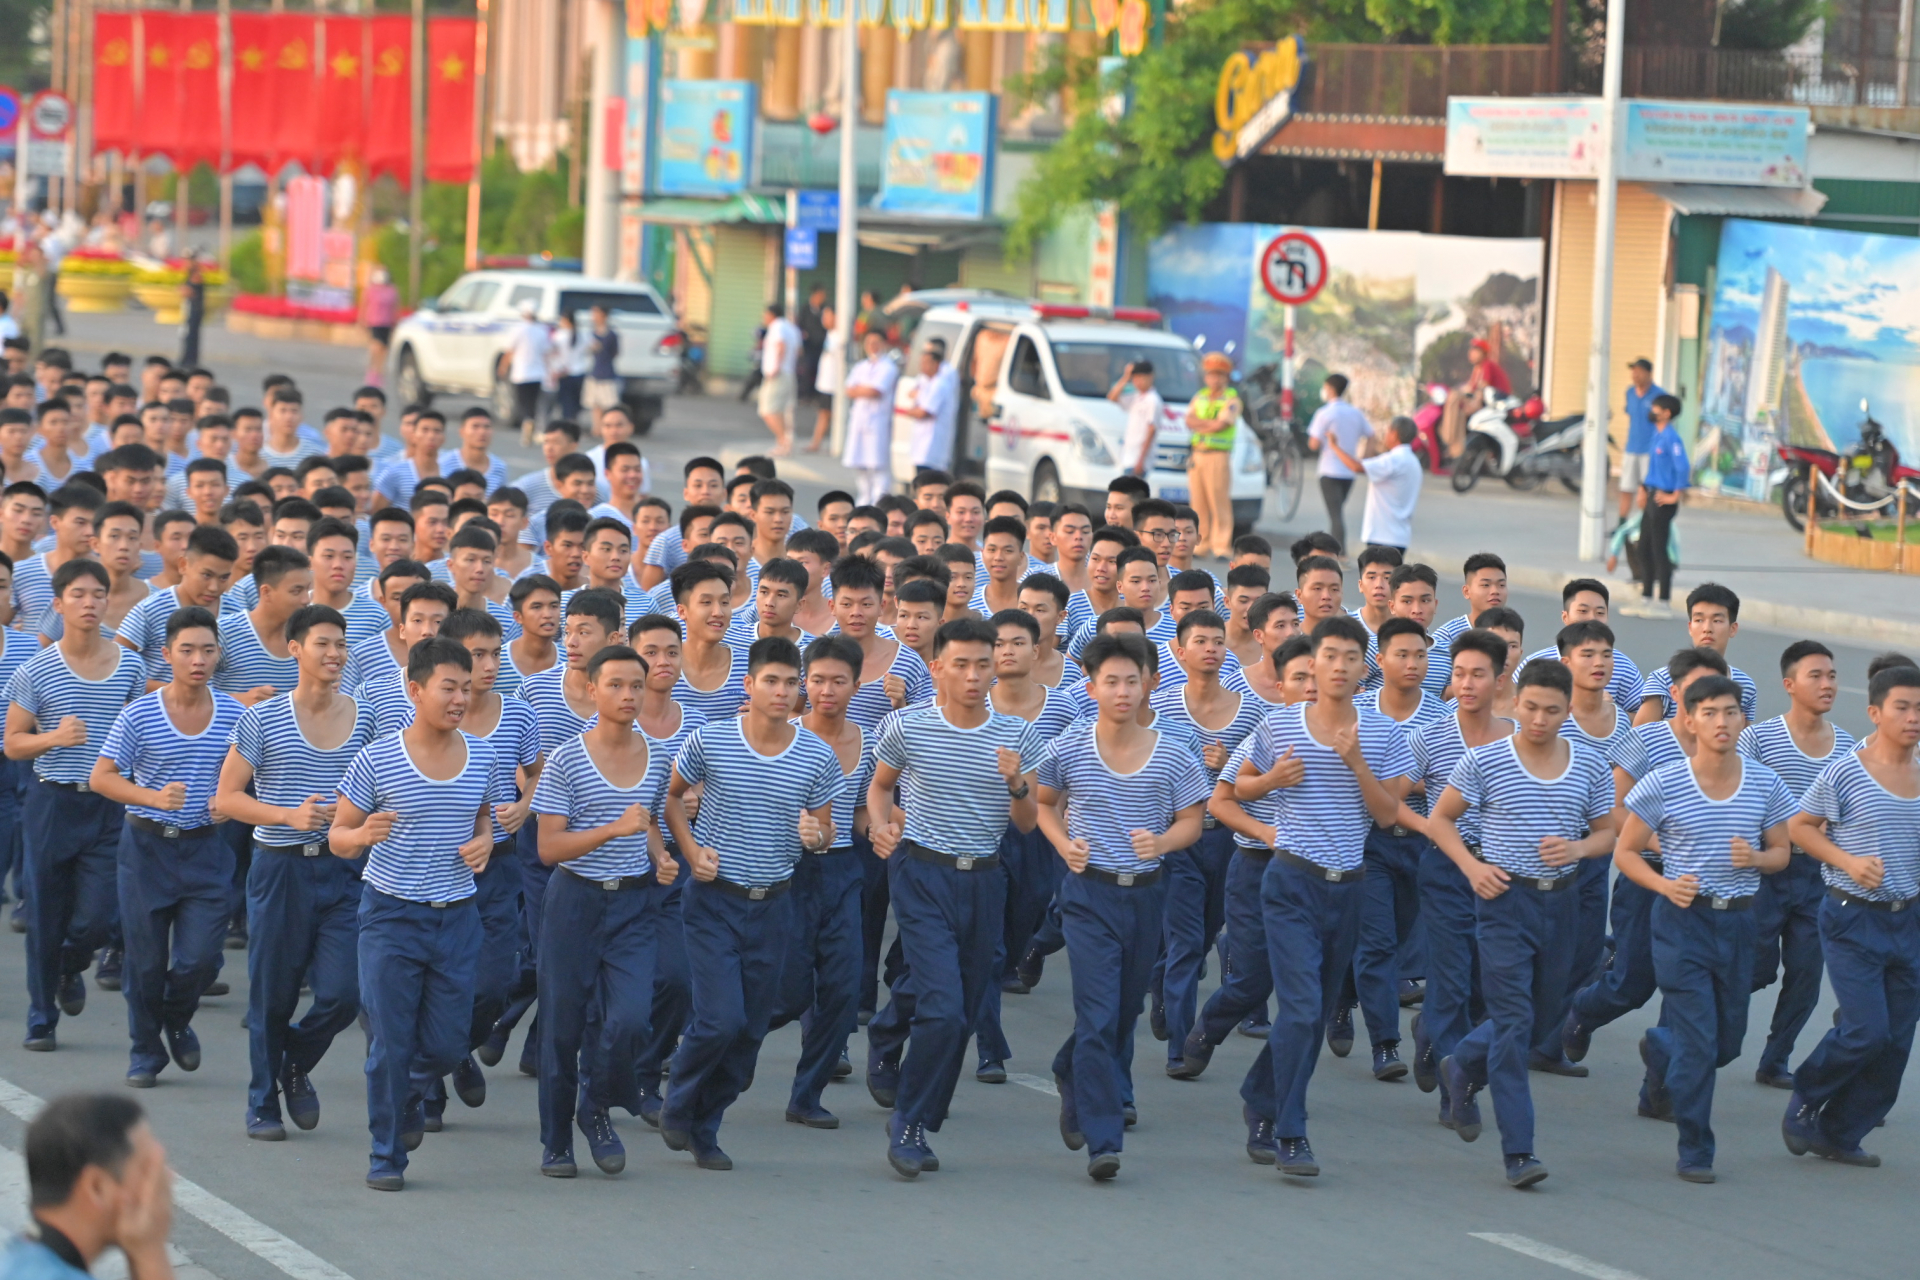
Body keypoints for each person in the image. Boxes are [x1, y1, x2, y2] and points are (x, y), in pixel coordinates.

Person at [1231, 616, 1413, 1176]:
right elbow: (1238, 787)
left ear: (1364, 667)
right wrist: (1270, 783)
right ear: (1314, 663)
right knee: (1305, 1010)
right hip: (1290, 883)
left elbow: (1388, 816)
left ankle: (1260, 1095)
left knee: (1305, 1018)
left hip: (1349, 888)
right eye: (1328, 655)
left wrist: (1356, 761)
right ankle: (1291, 1131)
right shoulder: (1278, 722)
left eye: (1349, 656)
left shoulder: (1384, 734)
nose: (1337, 665)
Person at [1430, 659, 1617, 1189]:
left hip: (1561, 905)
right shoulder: (1486, 761)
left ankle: (1463, 1061)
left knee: (1543, 1019)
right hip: (1503, 903)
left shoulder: (1588, 764)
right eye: (1530, 707)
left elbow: (1609, 832)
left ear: (1567, 711)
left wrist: (1579, 847)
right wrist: (1472, 866)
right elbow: (1441, 817)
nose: (1538, 719)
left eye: (1552, 710)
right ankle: (1519, 1151)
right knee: (1513, 1023)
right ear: (1514, 703)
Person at [865, 618, 1042, 1177]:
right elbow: (880, 785)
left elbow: (1029, 821)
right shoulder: (907, 726)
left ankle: (889, 1031)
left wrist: (1017, 784)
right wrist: (879, 826)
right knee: (943, 1008)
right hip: (921, 872)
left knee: (960, 1010)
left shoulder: (1016, 733)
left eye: (982, 664)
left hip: (985, 879)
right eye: (960, 664)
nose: (972, 675)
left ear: (996, 667)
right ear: (936, 667)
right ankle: (910, 1126)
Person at [661, 636, 844, 1171]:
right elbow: (672, 797)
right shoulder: (711, 740)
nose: (783, 691)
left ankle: (706, 1123)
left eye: (792, 683)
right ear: (749, 685)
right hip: (714, 900)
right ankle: (680, 1104)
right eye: (772, 681)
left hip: (774, 905)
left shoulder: (815, 754)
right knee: (719, 1019)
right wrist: (692, 850)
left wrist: (817, 836)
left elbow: (826, 829)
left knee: (749, 1033)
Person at [1037, 633, 1210, 1179]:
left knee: (1123, 1013)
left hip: (1147, 894)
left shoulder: (1175, 754)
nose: (1121, 690)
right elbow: (1044, 805)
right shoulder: (1068, 746)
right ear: (1090, 688)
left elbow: (1193, 820)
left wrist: (1162, 843)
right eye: (1109, 681)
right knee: (1097, 1013)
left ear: (1149, 684)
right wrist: (1064, 843)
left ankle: (1071, 1068)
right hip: (1089, 896)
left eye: (1131, 680)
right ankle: (1103, 1140)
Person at [1611, 674, 1795, 1182]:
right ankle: (1695, 1147)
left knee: (1725, 1044)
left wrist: (1757, 857)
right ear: (1689, 720)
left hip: (1738, 923)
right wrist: (1664, 884)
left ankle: (1661, 1048)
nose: (1721, 721)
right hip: (1681, 922)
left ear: (1742, 719)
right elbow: (1626, 851)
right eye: (1709, 712)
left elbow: (1782, 853)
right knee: (1699, 1041)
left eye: (1730, 712)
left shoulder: (1764, 782)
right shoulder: (1663, 783)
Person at [330, 636, 496, 1191]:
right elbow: (338, 836)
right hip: (391, 917)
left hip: (456, 918)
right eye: (448, 687)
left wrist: (485, 841)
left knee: (449, 1043)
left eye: (466, 689)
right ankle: (386, 1155)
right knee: (390, 1047)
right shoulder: (377, 759)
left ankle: (405, 1094)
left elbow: (481, 820)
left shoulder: (483, 757)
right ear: (415, 689)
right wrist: (360, 833)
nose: (459, 699)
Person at [214, 605, 379, 1140]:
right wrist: (288, 814)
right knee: (273, 992)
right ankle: (262, 1102)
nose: (334, 654)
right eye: (323, 644)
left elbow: (377, 788)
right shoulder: (261, 718)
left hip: (345, 870)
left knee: (343, 993)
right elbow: (227, 798)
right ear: (295, 649)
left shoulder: (366, 717)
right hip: (280, 869)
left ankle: (294, 1062)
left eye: (341, 644)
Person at [530, 644, 673, 1178]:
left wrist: (660, 857)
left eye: (636, 685)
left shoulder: (659, 756)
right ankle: (555, 1140)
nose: (628, 695)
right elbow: (549, 848)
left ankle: (596, 1108)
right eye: (615, 684)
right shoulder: (567, 758)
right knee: (562, 1029)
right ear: (592, 690)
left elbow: (652, 820)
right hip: (575, 902)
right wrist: (612, 830)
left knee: (632, 1018)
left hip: (634, 902)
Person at [91, 606, 245, 1088]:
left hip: (206, 849)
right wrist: (152, 796)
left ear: (219, 654)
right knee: (145, 961)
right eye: (187, 651)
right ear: (166, 655)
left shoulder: (237, 716)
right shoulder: (140, 713)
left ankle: (176, 1017)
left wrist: (230, 803)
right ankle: (144, 1051)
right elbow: (102, 777)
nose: (198, 659)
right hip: (146, 849)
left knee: (200, 958)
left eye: (207, 650)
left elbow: (251, 778)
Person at [6, 560, 150, 1052]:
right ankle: (41, 1018)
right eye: (79, 594)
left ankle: (70, 963)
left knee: (103, 915)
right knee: (45, 913)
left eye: (98, 594)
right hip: (52, 802)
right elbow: (12, 743)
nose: (89, 603)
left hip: (109, 805)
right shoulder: (36, 670)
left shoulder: (130, 665)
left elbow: (140, 732)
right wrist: (54, 737)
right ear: (58, 602)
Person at [1782, 662, 1920, 1168]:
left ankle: (1840, 1132)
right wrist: (1846, 860)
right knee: (1866, 1029)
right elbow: (1800, 826)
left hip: (1909, 920)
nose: (1913, 718)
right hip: (1851, 916)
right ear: (1875, 712)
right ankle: (1806, 1093)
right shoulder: (1847, 770)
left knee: (1896, 1041)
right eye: (1902, 707)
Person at [1401, 629, 1513, 1113]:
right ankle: (1457, 1092)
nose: (1466, 684)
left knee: (1486, 981)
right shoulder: (1432, 734)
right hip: (1446, 866)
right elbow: (1391, 798)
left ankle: (1433, 1032)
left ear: (1499, 678)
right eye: (1459, 673)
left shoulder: (1515, 738)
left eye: (1478, 674)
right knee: (1448, 977)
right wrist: (1431, 827)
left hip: (1502, 873)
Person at [1148, 610, 1264, 1079]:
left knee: (1204, 938)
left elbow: (1258, 775)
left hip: (1229, 842)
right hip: (1180, 840)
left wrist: (1227, 764)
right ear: (1180, 651)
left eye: (1219, 641)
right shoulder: (1161, 706)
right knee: (1185, 944)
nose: (1211, 648)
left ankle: (1160, 985)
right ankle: (1181, 1048)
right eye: (1200, 641)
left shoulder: (1251, 710)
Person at [769, 635, 876, 1128]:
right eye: (817, 680)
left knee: (843, 986)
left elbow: (860, 815)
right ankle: (713, 1056)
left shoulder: (869, 742)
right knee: (786, 992)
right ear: (802, 685)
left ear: (857, 684)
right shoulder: (782, 736)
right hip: (787, 872)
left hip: (842, 871)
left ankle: (806, 1095)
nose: (827, 690)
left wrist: (886, 825)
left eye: (839, 680)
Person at [1738, 640, 1855, 1088]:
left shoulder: (1846, 748)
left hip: (1818, 877)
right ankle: (1702, 1027)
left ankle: (1775, 1059)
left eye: (1831, 676)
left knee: (1806, 973)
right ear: (1789, 685)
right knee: (1755, 968)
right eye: (1815, 676)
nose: (1827, 684)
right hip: (1767, 871)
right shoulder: (1758, 739)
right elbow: (1746, 802)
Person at [4, 1093, 175, 1280]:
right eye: (147, 1170)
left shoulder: (15, 1259)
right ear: (97, 1188)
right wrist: (150, 1251)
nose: (166, 1179)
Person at [1625, 393, 1688, 616]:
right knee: (1643, 547)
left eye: (1656, 408)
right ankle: (1646, 597)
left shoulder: (1672, 438)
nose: (1651, 411)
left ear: (1666, 413)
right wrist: (1643, 488)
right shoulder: (1657, 435)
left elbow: (1682, 468)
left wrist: (1675, 496)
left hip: (1665, 498)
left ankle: (1663, 602)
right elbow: (1653, 469)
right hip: (1652, 495)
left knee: (1659, 549)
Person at [1322, 415, 1422, 553]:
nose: (1385, 435)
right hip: (1400, 537)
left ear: (1394, 434)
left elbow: (1357, 467)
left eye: (1388, 432)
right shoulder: (1413, 461)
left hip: (1382, 537)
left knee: (1376, 574)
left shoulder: (1394, 460)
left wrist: (1334, 446)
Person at [1305, 373, 1373, 553]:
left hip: (1329, 470)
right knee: (1336, 512)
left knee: (1336, 516)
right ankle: (1332, 549)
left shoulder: (1324, 413)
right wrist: (1364, 457)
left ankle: (1339, 553)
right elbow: (1371, 436)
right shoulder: (1355, 413)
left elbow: (1313, 443)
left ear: (1329, 388)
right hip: (1349, 472)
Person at [1184, 353, 1240, 561]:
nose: (1214, 379)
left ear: (1226, 377)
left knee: (1219, 501)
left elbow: (1222, 425)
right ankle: (1201, 545)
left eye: (1219, 375)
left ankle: (1222, 546)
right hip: (1198, 454)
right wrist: (1208, 425)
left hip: (1218, 455)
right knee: (1198, 502)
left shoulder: (1231, 399)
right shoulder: (1200, 396)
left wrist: (1202, 424)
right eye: (1210, 375)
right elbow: (1188, 420)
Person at [841, 331, 898, 507]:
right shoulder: (861, 366)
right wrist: (863, 390)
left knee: (878, 465)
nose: (873, 346)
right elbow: (848, 390)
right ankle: (864, 500)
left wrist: (861, 389)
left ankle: (880, 502)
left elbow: (876, 391)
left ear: (884, 344)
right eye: (869, 342)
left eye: (876, 342)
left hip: (878, 422)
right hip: (860, 420)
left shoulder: (888, 367)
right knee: (860, 464)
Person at [1440, 337, 1512, 460]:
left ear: (1483, 353)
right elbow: (1469, 388)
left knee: (1459, 406)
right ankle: (1454, 448)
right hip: (1486, 404)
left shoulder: (1487, 365)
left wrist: (1470, 403)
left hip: (1497, 405)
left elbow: (1482, 390)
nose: (1471, 353)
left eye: (1475, 350)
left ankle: (1450, 440)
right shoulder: (1477, 368)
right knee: (1456, 401)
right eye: (1471, 349)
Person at [900, 339, 959, 476]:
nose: (922, 366)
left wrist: (911, 411)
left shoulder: (940, 383)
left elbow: (923, 412)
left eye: (926, 363)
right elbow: (911, 393)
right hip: (922, 442)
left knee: (929, 481)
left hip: (933, 444)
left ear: (936, 364)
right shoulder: (928, 381)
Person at [1618, 358, 1665, 523]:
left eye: (1639, 371)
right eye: (1633, 371)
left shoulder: (1658, 395)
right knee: (1626, 487)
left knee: (1646, 490)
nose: (1635, 375)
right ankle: (1621, 523)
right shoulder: (1629, 392)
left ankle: (1645, 524)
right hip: (1631, 447)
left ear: (1648, 373)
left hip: (1649, 450)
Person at [500, 302, 553, 448]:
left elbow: (510, 351)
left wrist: (503, 367)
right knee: (534, 402)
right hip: (538, 373)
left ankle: (527, 424)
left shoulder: (518, 330)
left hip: (521, 373)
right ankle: (532, 423)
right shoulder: (542, 331)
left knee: (522, 402)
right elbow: (546, 354)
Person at [757, 303, 802, 456]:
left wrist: (775, 368)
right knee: (780, 410)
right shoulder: (792, 328)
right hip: (789, 373)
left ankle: (783, 441)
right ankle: (782, 442)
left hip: (777, 374)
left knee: (768, 410)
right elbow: (798, 351)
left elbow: (781, 345)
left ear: (771, 314)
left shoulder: (777, 327)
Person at [1109, 360, 1163, 479]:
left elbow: (1151, 430)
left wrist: (1141, 460)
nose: (1137, 382)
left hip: (1139, 460)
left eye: (1141, 377)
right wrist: (1125, 377)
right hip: (1128, 457)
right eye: (1134, 378)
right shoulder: (1136, 397)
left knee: (1131, 495)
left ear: (1150, 377)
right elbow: (1112, 397)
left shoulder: (1153, 400)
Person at [807, 305, 843, 454]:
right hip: (825, 382)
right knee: (823, 413)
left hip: (834, 384)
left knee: (833, 414)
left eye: (828, 316)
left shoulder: (841, 336)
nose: (824, 319)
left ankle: (836, 443)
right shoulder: (829, 334)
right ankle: (816, 443)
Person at [359, 268, 400, 387]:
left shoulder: (392, 291)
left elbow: (395, 307)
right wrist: (361, 320)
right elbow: (364, 305)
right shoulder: (370, 290)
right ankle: (371, 373)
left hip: (386, 324)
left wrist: (395, 321)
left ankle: (379, 374)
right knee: (376, 348)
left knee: (383, 351)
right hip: (374, 322)